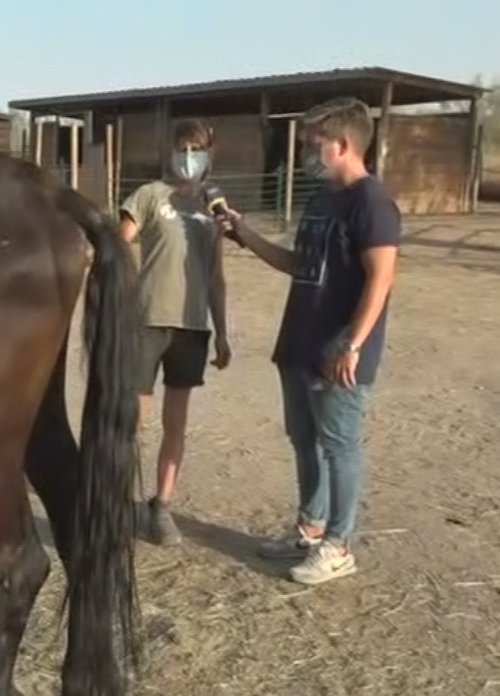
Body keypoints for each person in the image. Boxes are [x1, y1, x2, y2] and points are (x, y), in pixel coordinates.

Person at [214, 96, 400, 585]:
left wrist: (352, 343)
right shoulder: (320, 202)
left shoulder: (372, 202)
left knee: (339, 446)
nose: (305, 154)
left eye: (313, 145)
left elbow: (380, 279)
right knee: (305, 441)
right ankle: (311, 528)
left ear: (341, 145)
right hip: (298, 344)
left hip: (338, 354)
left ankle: (339, 545)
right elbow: (301, 266)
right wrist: (243, 234)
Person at [118, 118, 231, 546]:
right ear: (170, 150)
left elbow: (216, 276)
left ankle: (160, 506)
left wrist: (221, 332)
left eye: (197, 149)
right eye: (183, 148)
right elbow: (119, 244)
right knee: (132, 422)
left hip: (191, 329)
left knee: (176, 425)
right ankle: (119, 502)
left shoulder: (211, 206)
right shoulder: (149, 195)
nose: (189, 157)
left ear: (209, 153)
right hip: (146, 322)